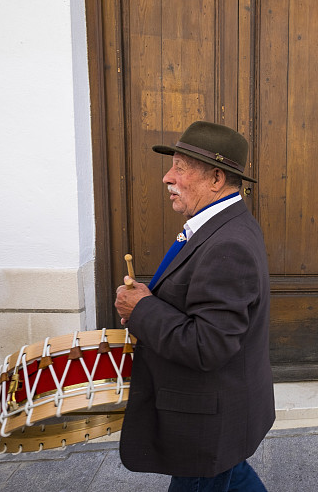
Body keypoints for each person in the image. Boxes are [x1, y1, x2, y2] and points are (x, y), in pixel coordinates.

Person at [114, 121, 275, 492]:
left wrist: (141, 310)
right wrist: (149, 300)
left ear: (216, 178)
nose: (167, 177)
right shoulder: (222, 224)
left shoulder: (226, 243)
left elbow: (208, 344)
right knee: (232, 477)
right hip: (215, 416)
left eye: (180, 168)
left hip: (205, 421)